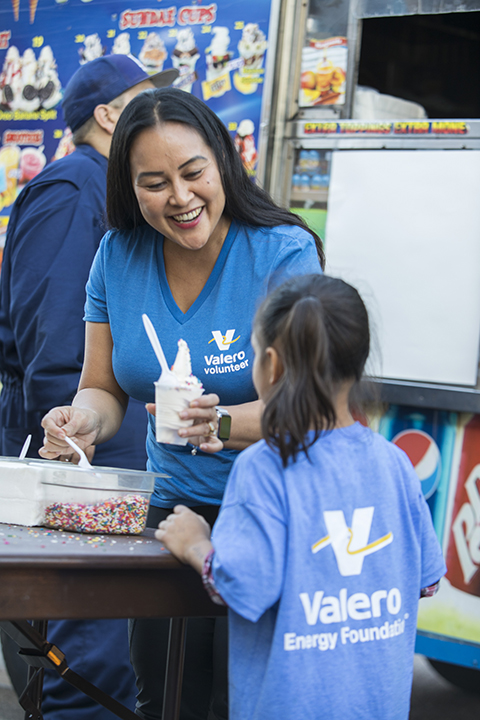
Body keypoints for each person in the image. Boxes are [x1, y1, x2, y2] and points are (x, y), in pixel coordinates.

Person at [39, 87, 325, 719]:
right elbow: (105, 387)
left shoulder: (282, 253)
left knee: (244, 701)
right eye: (155, 182)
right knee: (167, 695)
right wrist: (84, 419)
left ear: (222, 160)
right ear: (129, 187)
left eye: (193, 172)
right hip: (168, 521)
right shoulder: (117, 256)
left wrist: (219, 422)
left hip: (267, 514)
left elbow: (312, 410)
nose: (181, 197)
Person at [155, 273, 447, 720]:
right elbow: (425, 579)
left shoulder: (262, 467)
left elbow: (244, 586)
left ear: (270, 365)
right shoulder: (396, 464)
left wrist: (196, 543)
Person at [0, 55, 177, 719]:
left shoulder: (115, 190)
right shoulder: (78, 187)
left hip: (114, 448)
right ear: (107, 115)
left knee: (114, 633)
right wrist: (77, 454)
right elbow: (57, 340)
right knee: (88, 638)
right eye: (143, 99)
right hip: (78, 451)